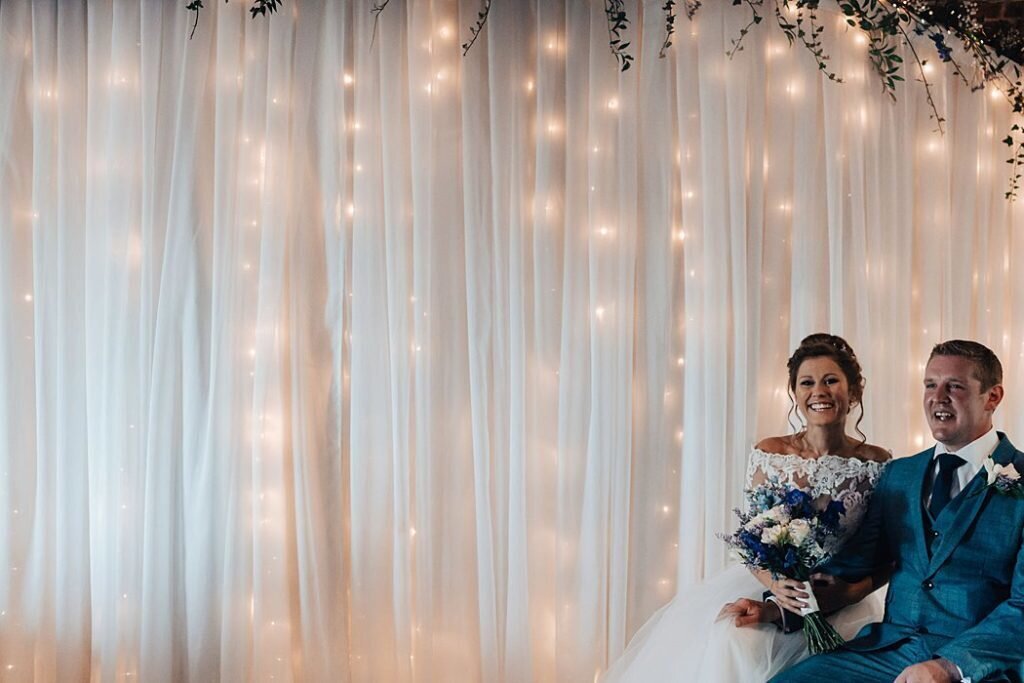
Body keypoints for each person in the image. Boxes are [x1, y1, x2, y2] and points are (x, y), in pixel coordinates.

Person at [600, 334, 891, 682]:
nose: (820, 391)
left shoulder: (877, 463)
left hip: (843, 598)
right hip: (773, 586)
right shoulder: (771, 454)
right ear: (795, 394)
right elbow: (752, 536)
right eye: (807, 383)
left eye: (831, 380)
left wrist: (851, 592)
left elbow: (890, 549)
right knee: (735, 640)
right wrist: (779, 585)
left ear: (853, 391)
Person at [753, 339, 1024, 683]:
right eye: (930, 384)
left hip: (978, 666)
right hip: (886, 652)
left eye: (954, 386)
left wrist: (949, 666)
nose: (937, 396)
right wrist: (779, 608)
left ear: (993, 397)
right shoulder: (901, 474)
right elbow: (854, 565)